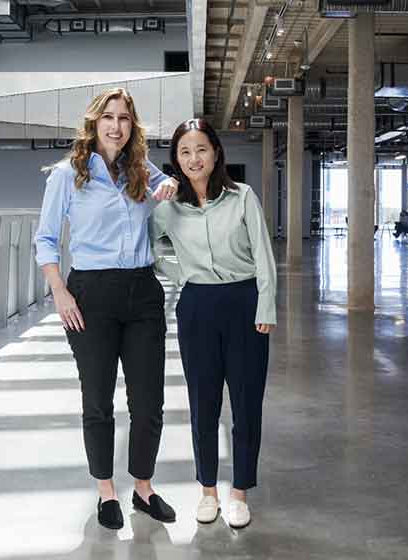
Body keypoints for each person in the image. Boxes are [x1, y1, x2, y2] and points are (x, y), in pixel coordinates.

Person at [34, 87, 180, 530]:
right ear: (94, 123)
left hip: (142, 291)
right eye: (108, 117)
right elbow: (45, 239)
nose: (116, 126)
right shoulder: (68, 174)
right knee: (97, 400)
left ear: (132, 126)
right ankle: (105, 492)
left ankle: (143, 488)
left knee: (149, 401)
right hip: (90, 295)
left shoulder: (140, 169)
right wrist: (59, 292)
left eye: (124, 118)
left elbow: (166, 188)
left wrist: (168, 185)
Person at [149, 119, 277, 529]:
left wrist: (266, 308)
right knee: (203, 403)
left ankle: (238, 492)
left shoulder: (242, 197)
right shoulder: (169, 208)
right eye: (184, 152)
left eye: (201, 149)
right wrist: (180, 272)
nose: (193, 158)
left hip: (244, 302)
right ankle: (207, 491)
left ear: (216, 152)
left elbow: (263, 254)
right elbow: (150, 246)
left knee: (245, 403)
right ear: (176, 161)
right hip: (197, 305)